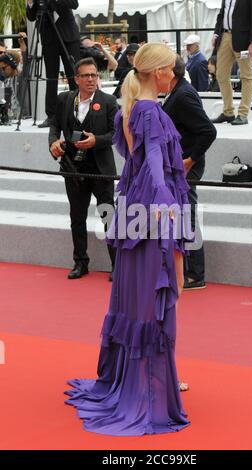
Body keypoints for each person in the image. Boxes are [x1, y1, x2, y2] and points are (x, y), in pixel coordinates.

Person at [65, 43, 191, 436]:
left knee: (140, 293)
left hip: (137, 209)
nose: (175, 75)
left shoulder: (130, 109)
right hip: (156, 211)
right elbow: (152, 158)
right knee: (165, 290)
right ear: (158, 73)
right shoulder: (150, 110)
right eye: (171, 69)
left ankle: (149, 375)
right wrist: (168, 199)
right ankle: (155, 383)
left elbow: (130, 153)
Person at [49, 58, 118, 280]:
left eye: (94, 75)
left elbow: (116, 134)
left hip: (100, 168)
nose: (91, 79)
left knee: (109, 215)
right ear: (76, 79)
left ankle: (117, 265)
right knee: (76, 216)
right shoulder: (64, 99)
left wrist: (96, 140)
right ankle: (80, 262)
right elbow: (54, 125)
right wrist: (54, 142)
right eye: (86, 75)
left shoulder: (108, 101)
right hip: (73, 168)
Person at [163, 55, 217, 290]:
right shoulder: (178, 92)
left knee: (188, 216)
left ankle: (196, 273)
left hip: (186, 167)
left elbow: (208, 131)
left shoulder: (183, 95)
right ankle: (188, 270)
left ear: (169, 71)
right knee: (183, 216)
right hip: (180, 164)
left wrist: (190, 160)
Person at [26, 0, 81, 128]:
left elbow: (74, 3)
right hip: (48, 37)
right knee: (51, 78)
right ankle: (51, 116)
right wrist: (30, 3)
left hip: (68, 36)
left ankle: (78, 113)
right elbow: (31, 17)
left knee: (74, 75)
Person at [212, 0, 252, 125]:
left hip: (244, 40)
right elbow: (222, 14)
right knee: (221, 74)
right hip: (224, 36)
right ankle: (228, 112)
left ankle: (243, 113)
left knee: (246, 76)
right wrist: (216, 33)